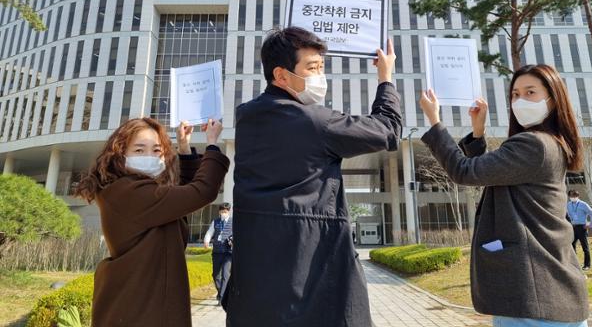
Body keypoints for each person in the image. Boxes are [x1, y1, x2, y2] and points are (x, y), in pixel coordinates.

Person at [225, 27, 402, 327]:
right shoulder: (314, 122)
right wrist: (385, 78)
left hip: (257, 288)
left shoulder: (247, 119)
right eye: (312, 68)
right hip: (313, 277)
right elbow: (388, 130)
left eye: (322, 68)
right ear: (281, 76)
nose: (321, 77)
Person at [419, 64, 589, 326]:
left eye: (530, 92)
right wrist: (478, 134)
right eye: (515, 95)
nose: (520, 101)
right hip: (551, 295)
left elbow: (464, 172)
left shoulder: (534, 144)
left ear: (553, 99)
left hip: (534, 298)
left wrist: (435, 121)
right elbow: (491, 175)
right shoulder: (551, 143)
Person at [75, 118, 229, 327]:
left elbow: (179, 201)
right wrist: (211, 143)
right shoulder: (128, 192)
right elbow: (200, 192)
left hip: (139, 301)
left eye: (157, 150)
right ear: (120, 154)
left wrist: (183, 147)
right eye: (139, 150)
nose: (149, 156)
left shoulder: (134, 190)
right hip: (140, 308)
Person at [204, 202, 233, 305]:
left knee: (225, 274)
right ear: (219, 212)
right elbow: (209, 232)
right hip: (217, 252)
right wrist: (206, 240)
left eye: (225, 211)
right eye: (221, 211)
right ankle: (222, 292)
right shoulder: (215, 222)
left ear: (228, 211)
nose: (223, 213)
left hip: (228, 253)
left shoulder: (233, 222)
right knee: (215, 276)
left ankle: (221, 298)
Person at [566, 190, 592, 270]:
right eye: (571, 196)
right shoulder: (568, 205)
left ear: (578, 196)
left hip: (582, 227)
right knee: (571, 246)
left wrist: (590, 225)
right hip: (573, 227)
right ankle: (574, 264)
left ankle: (587, 265)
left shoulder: (583, 204)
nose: (573, 197)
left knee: (585, 247)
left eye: (575, 195)